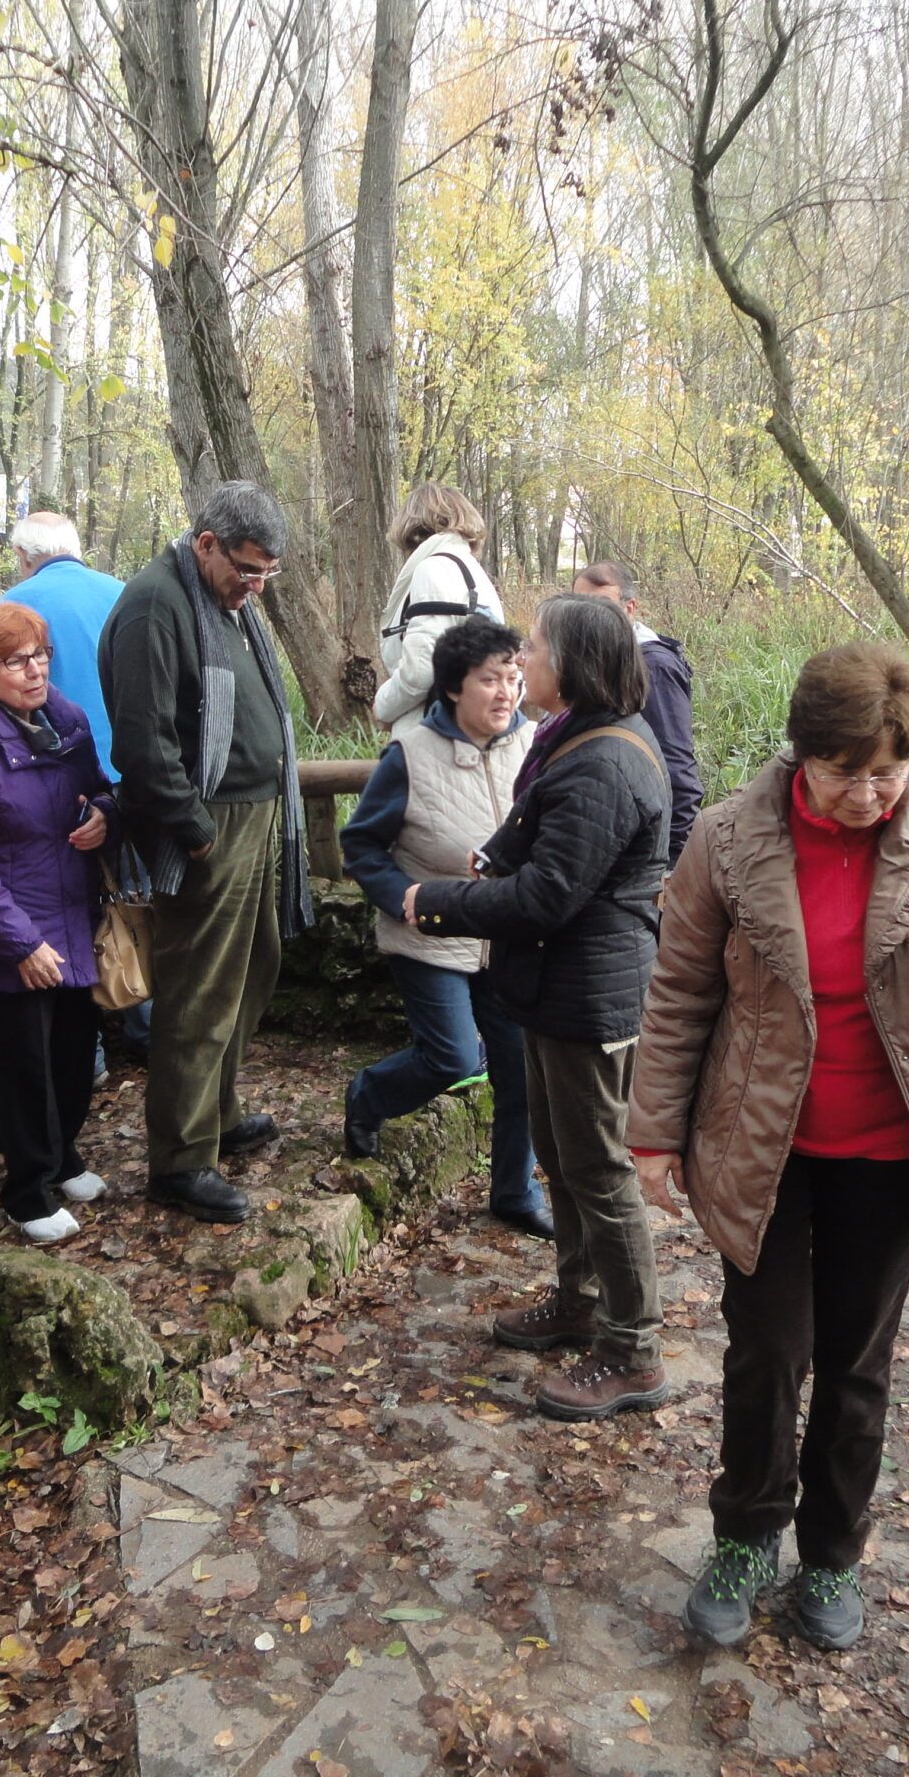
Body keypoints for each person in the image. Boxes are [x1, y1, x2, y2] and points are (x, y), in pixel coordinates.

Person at [625, 643, 909, 1653]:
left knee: (856, 1365)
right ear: (801, 754)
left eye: (889, 772)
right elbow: (681, 988)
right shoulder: (729, 840)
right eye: (847, 773)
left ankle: (832, 1554)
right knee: (765, 1354)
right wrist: (652, 1133)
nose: (871, 795)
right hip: (759, 1149)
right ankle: (744, 1538)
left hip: (883, 1151)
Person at [406, 594, 669, 1421]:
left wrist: (440, 902)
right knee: (562, 1157)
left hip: (590, 996)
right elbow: (528, 838)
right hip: (557, 989)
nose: (526, 665)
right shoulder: (574, 741)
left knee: (598, 1170)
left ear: (579, 664)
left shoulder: (605, 760)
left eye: (539, 651)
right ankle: (579, 1301)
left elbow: (550, 896)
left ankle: (634, 1349)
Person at [98, 481, 314, 1225]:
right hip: (208, 826)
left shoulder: (228, 604)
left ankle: (217, 1114)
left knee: (254, 967)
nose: (253, 588)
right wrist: (192, 828)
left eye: (266, 576)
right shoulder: (157, 605)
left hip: (254, 814)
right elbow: (141, 737)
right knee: (198, 991)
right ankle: (182, 1161)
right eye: (244, 570)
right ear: (206, 544)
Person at [340, 616, 552, 1239]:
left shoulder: (538, 746)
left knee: (521, 1070)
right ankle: (369, 1096)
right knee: (454, 1057)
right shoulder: (409, 754)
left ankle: (515, 1191)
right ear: (455, 687)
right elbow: (361, 845)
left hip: (507, 935)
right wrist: (399, 894)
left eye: (513, 678)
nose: (506, 692)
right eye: (490, 679)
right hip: (428, 933)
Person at [0, 603, 117, 1245]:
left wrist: (106, 814)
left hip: (71, 914)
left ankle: (63, 1159)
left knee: (73, 1057)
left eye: (40, 656)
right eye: (16, 661)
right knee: (24, 1070)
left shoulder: (64, 720)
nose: (35, 671)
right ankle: (26, 1191)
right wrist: (20, 941)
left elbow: (99, 784)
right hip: (11, 934)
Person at [573, 560, 700, 863]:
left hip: (651, 860)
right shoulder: (596, 662)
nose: (589, 616)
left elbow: (677, 770)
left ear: (629, 608)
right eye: (579, 605)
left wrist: (672, 863)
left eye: (603, 604)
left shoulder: (652, 666)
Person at [1, 511, 127, 776]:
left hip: (60, 769)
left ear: (22, 554)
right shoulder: (123, 592)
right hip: (130, 764)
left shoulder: (9, 608)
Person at [374, 483, 506, 730]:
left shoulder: (435, 569)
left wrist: (382, 705)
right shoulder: (469, 570)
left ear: (412, 525)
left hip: (434, 738)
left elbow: (421, 670)